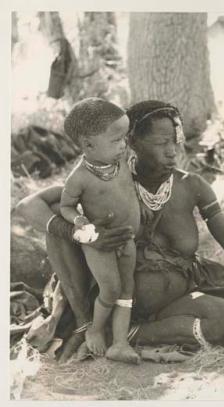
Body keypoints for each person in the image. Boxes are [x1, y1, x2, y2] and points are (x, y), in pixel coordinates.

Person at [15, 100, 224, 362]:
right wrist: (83, 234)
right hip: (115, 297)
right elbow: (29, 206)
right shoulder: (108, 179)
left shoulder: (192, 186)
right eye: (161, 143)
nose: (172, 152)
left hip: (175, 299)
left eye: (175, 142)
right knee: (58, 228)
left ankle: (132, 335)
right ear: (132, 142)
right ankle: (93, 325)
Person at [59, 98, 140, 363]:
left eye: (124, 138)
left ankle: (120, 343)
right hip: (99, 242)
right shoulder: (79, 177)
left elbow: (128, 191)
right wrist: (80, 222)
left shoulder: (123, 161)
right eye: (116, 140)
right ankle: (94, 329)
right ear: (87, 145)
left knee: (127, 289)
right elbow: (66, 206)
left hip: (127, 238)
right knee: (111, 289)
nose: (124, 144)